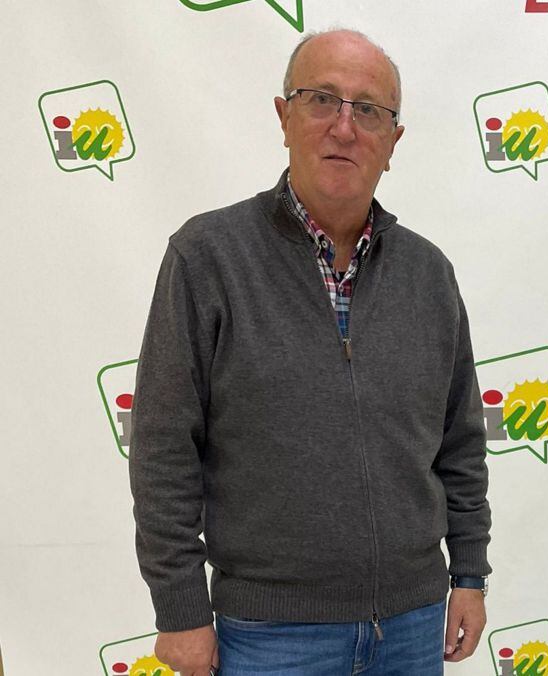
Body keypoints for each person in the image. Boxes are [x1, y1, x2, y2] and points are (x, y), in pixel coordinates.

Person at [129, 29, 492, 676]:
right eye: (322, 98)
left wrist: (469, 572)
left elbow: (459, 443)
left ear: (393, 143)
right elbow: (162, 450)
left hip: (412, 627)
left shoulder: (428, 274)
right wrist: (180, 611)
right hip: (269, 636)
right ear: (284, 116)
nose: (345, 127)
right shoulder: (208, 258)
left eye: (369, 109)